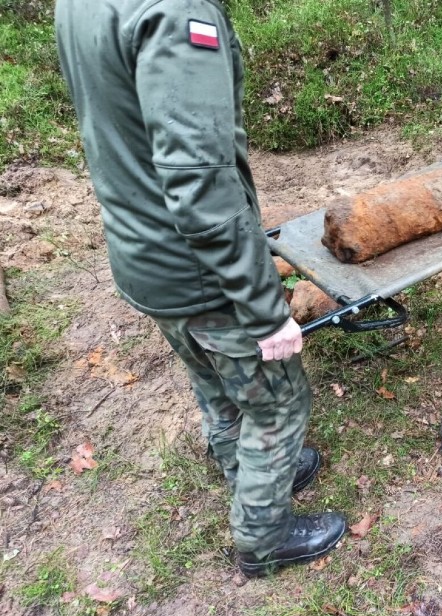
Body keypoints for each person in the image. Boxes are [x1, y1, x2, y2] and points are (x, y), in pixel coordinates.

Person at [54, 0, 345, 577]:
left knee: (212, 377)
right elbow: (200, 183)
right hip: (196, 266)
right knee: (278, 401)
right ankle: (264, 537)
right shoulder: (178, 11)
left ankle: (246, 470)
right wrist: (264, 311)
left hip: (143, 253)